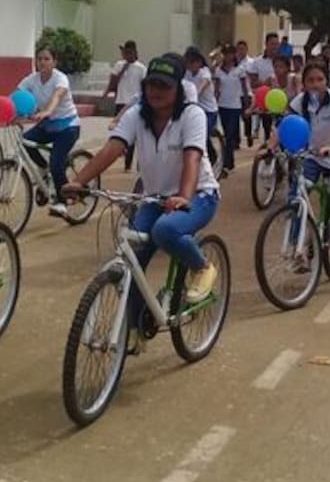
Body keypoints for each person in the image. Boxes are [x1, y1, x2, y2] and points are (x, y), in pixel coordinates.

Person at [65, 56, 221, 330]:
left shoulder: (191, 114)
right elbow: (112, 148)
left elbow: (192, 158)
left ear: (178, 89)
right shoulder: (137, 114)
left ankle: (202, 267)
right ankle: (137, 330)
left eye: (164, 85)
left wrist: (184, 197)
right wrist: (79, 182)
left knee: (165, 230)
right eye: (151, 84)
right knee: (131, 258)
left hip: (199, 196)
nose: (156, 91)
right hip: (154, 197)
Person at [268, 61, 330, 294]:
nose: (315, 84)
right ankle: (298, 250)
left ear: (326, 81)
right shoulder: (300, 101)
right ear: (304, 82)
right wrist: (269, 147)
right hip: (313, 157)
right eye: (310, 80)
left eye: (319, 79)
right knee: (295, 198)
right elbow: (283, 125)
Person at [18, 46, 81, 216]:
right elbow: (17, 95)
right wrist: (6, 112)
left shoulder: (60, 79)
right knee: (24, 141)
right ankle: (43, 168)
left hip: (67, 127)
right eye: (39, 59)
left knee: (57, 163)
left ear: (54, 61)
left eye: (46, 59)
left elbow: (57, 96)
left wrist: (47, 111)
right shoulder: (32, 79)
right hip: (47, 125)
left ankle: (62, 201)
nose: (42, 62)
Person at [104, 41, 146, 172]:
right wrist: (107, 91)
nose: (125, 55)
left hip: (134, 103)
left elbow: (144, 86)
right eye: (124, 52)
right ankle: (120, 151)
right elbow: (113, 80)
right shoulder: (119, 65)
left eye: (128, 52)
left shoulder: (141, 68)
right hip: (120, 101)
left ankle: (128, 164)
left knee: (132, 132)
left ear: (134, 52)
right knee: (118, 130)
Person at [213, 44, 249, 175]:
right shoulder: (218, 70)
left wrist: (246, 104)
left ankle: (229, 162)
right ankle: (227, 161)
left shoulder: (240, 70)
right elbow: (217, 89)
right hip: (223, 105)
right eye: (226, 53)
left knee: (230, 134)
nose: (228, 56)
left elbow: (245, 88)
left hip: (235, 106)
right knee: (225, 134)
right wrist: (214, 103)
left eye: (230, 53)